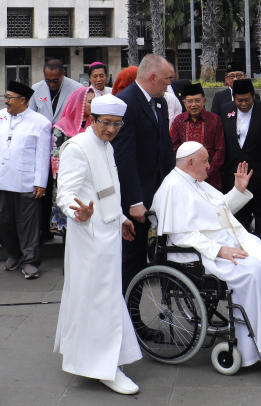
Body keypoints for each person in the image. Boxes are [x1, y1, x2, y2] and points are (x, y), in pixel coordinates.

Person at [153, 142, 261, 369]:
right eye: (205, 161)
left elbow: (219, 212)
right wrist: (219, 250)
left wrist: (238, 190)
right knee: (253, 271)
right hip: (195, 255)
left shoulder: (196, 183)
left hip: (218, 244)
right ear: (190, 162)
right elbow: (181, 236)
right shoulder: (173, 186)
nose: (209, 166)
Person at [54, 94, 141, 395]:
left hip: (109, 234)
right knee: (96, 299)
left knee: (102, 298)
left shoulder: (107, 146)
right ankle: (104, 367)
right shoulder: (77, 147)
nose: (112, 129)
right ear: (91, 119)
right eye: (106, 123)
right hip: (89, 236)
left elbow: (106, 191)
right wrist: (76, 211)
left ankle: (99, 357)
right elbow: (64, 192)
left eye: (117, 124)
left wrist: (120, 217)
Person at [111, 54, 176, 291]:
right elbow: (124, 158)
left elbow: (165, 146)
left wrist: (176, 183)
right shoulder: (125, 103)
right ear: (153, 77)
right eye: (168, 78)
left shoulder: (160, 102)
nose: (170, 83)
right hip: (135, 199)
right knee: (133, 260)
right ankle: (131, 321)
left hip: (158, 192)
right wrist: (135, 201)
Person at [0, 80, 51, 279]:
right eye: (5, 97)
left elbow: (42, 155)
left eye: (9, 98)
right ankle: (13, 253)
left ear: (22, 100)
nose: (5, 101)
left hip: (25, 181)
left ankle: (30, 261)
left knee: (27, 224)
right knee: (2, 221)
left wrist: (41, 182)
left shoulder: (40, 122)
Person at [220, 78, 261, 242]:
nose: (243, 104)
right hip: (234, 176)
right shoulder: (225, 110)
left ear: (254, 95)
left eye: (247, 100)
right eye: (239, 100)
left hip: (260, 174)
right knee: (239, 218)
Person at [29, 59, 83, 242]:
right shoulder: (36, 89)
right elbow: (31, 116)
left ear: (63, 75)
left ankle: (64, 230)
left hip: (66, 146)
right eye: (48, 80)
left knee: (63, 189)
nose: (51, 84)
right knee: (43, 189)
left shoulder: (76, 89)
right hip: (44, 147)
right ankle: (44, 229)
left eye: (55, 80)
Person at [49, 86, 95, 235]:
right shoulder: (61, 128)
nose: (93, 105)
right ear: (79, 103)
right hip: (69, 181)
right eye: (89, 102)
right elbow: (55, 158)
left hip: (91, 181)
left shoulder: (95, 126)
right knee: (71, 222)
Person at [170, 83, 225, 190]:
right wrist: (186, 173)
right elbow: (174, 148)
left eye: (198, 100)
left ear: (204, 101)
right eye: (190, 101)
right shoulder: (178, 121)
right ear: (184, 103)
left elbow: (220, 149)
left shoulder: (214, 120)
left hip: (210, 179)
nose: (194, 104)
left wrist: (206, 173)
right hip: (185, 179)